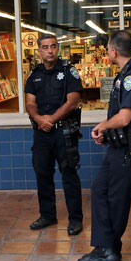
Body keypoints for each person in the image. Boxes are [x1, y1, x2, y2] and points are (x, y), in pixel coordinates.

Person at [77, 30, 131, 261]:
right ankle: (105, 246)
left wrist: (102, 125)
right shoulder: (126, 74)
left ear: (113, 51)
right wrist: (107, 133)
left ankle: (109, 248)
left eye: (107, 49)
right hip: (119, 144)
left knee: (116, 197)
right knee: (100, 189)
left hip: (128, 148)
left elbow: (124, 117)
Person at [25, 34, 84, 236]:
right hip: (42, 133)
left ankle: (75, 219)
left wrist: (50, 120)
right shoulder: (34, 75)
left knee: (69, 175)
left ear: (58, 49)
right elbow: (30, 103)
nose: (49, 50)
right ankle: (48, 215)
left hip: (64, 133)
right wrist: (40, 120)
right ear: (39, 51)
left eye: (53, 46)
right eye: (45, 47)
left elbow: (72, 102)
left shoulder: (69, 72)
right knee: (42, 173)